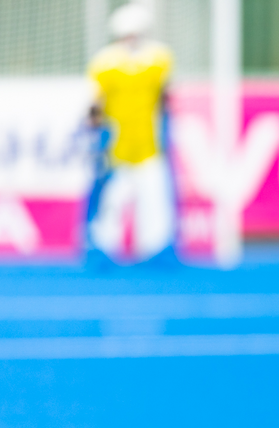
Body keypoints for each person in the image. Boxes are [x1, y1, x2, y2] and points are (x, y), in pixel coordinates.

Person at [85, 2, 176, 266]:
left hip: (149, 144)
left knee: (154, 199)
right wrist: (97, 133)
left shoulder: (159, 59)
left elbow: (165, 98)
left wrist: (167, 129)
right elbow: (95, 103)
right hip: (116, 147)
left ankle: (157, 249)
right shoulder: (104, 62)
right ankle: (102, 248)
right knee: (111, 201)